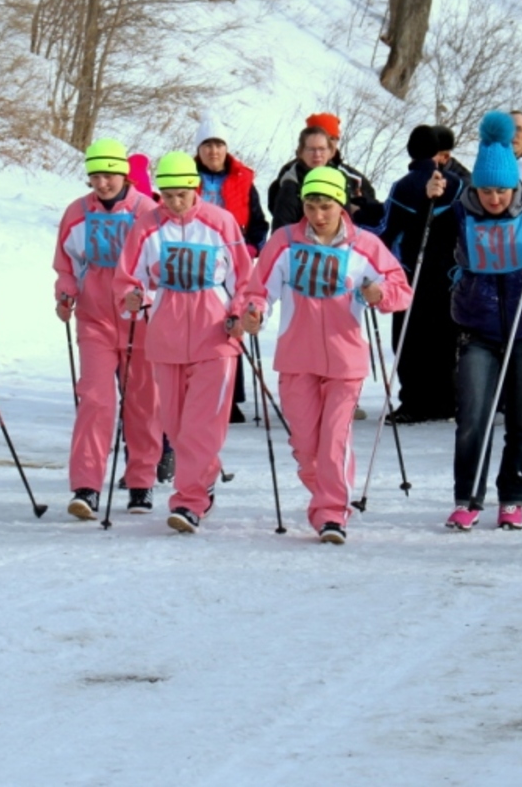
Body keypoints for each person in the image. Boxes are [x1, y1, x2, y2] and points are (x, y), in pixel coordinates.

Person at [244, 167, 412, 543]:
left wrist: (380, 294)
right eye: (310, 206)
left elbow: (401, 289)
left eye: (326, 206)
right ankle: (326, 495)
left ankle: (332, 514)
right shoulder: (284, 242)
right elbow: (259, 291)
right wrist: (253, 313)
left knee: (334, 440)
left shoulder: (365, 245)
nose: (318, 215)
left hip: (345, 360)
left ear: (342, 204)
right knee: (306, 447)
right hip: (296, 358)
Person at [443, 111, 522, 531]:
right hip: (477, 330)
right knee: (472, 420)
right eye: (486, 190)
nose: (494, 198)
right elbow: (422, 236)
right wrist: (429, 200)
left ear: (515, 186)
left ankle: (513, 496)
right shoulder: (460, 213)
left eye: (501, 190)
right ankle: (468, 497)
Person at [117, 152, 255, 534]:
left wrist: (239, 313)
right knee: (176, 428)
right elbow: (129, 277)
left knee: (201, 426)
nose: (175, 202)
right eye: (168, 195)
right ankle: (204, 477)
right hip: (166, 335)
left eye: (182, 194)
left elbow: (244, 278)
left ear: (196, 188)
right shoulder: (147, 226)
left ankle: (189, 501)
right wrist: (132, 297)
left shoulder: (220, 221)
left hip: (215, 336)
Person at [53, 139, 162, 519]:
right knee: (96, 400)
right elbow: (66, 264)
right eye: (95, 176)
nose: (102, 183)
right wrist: (65, 292)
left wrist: (145, 295)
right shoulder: (77, 212)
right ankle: (86, 486)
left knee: (142, 401)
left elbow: (159, 266)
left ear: (124, 175)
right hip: (95, 317)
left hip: (139, 320)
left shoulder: (147, 211)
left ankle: (141, 481)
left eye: (109, 175)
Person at [379, 125, 462, 423]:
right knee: (443, 337)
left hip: (411, 272)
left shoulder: (402, 186)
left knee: (410, 339)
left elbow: (387, 230)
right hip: (449, 272)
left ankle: (414, 401)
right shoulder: (457, 183)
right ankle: (445, 400)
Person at [195, 111, 269, 424]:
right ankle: (199, 390)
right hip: (197, 259)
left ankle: (231, 397)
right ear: (198, 149)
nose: (213, 151)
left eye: (219, 145)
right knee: (198, 325)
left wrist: (250, 248)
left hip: (232, 261)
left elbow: (259, 223)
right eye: (207, 145)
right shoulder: (186, 177)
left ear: (226, 148)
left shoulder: (243, 179)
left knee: (232, 322)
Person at [267, 116, 381, 231]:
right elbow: (281, 228)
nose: (317, 154)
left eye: (322, 148)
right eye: (311, 149)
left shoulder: (342, 176)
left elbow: (353, 220)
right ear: (301, 151)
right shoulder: (291, 180)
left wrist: (359, 206)